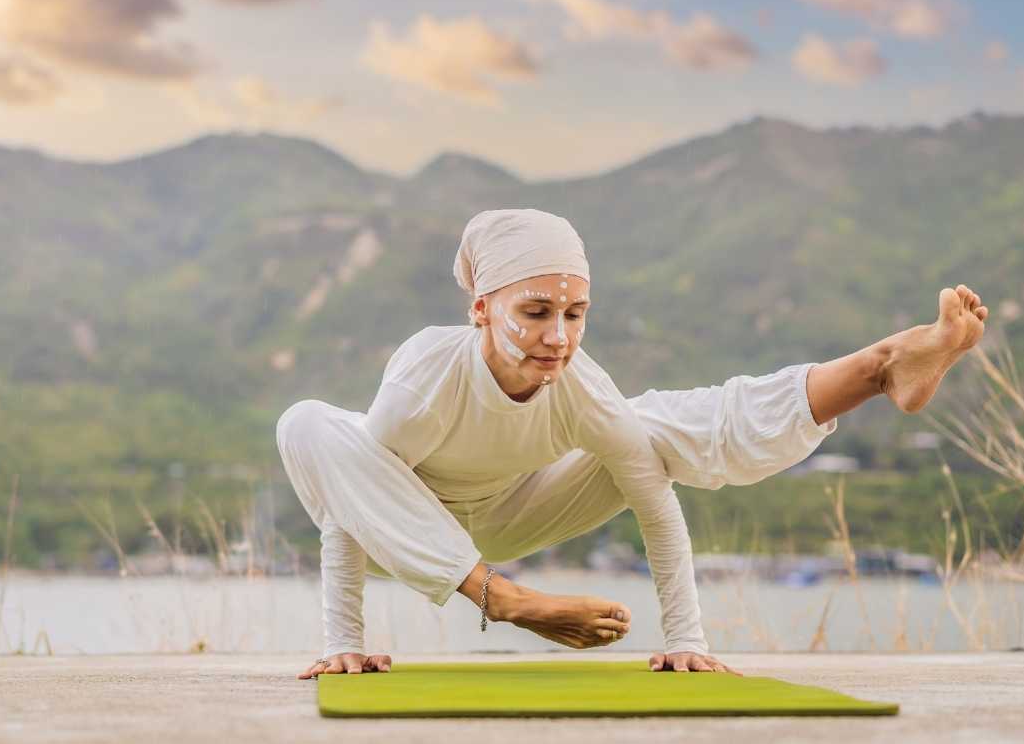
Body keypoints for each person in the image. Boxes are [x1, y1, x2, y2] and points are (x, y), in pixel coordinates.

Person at [276, 209, 988, 678]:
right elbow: (354, 496)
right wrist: (344, 639)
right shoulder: (426, 379)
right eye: (535, 312)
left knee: (652, 429)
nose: (558, 336)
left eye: (575, 313)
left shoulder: (580, 384)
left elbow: (652, 497)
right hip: (405, 535)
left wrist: (687, 639)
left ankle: (876, 368)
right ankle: (512, 601)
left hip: (516, 513)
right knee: (308, 421)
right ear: (481, 309)